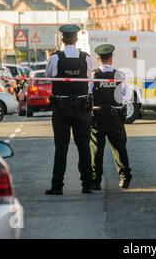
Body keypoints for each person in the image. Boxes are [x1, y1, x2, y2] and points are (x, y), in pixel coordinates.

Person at [45, 25, 94, 195]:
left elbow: (48, 75)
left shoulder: (55, 58)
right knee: (84, 146)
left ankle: (57, 186)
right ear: (76, 39)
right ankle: (87, 184)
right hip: (82, 107)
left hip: (61, 107)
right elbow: (89, 80)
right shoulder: (86, 58)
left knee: (61, 147)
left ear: (63, 40)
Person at [90, 44, 132, 190]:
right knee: (119, 148)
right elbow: (127, 95)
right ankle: (124, 178)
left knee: (96, 150)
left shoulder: (93, 75)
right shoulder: (119, 75)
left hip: (98, 116)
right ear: (111, 59)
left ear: (98, 59)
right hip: (115, 116)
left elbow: (89, 94)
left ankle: (96, 180)